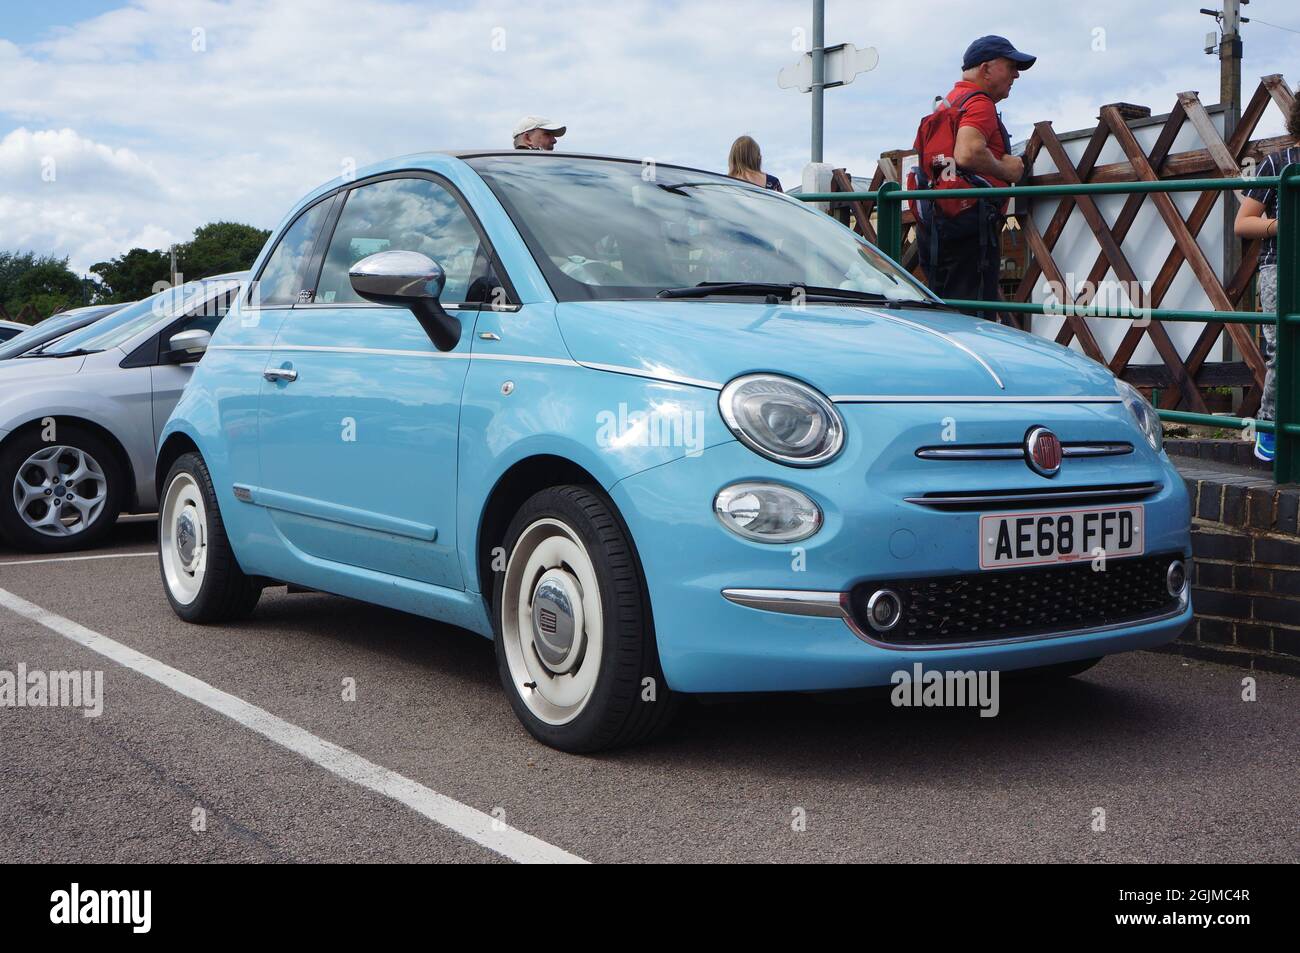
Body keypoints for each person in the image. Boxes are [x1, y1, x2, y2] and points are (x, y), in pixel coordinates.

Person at [916, 35, 1033, 318]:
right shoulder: (980, 104)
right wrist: (1010, 169)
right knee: (974, 314)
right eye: (1011, 66)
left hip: (939, 216)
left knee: (946, 309)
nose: (1016, 75)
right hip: (971, 222)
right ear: (986, 68)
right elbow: (968, 153)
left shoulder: (949, 102)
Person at [1234, 96, 1299, 463]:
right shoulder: (1279, 161)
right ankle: (1271, 427)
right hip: (1282, 265)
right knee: (1283, 350)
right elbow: (1243, 223)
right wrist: (1284, 225)